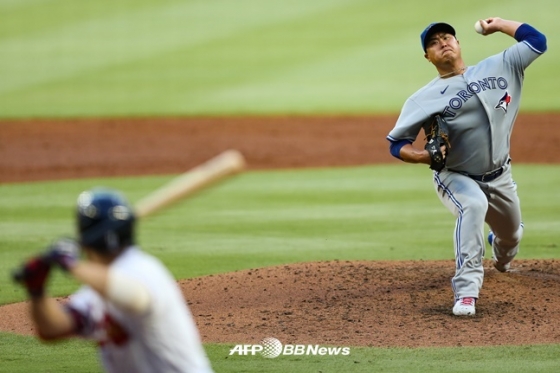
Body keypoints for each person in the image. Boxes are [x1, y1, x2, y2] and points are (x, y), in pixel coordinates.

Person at [386, 18, 547, 316]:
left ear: (459, 44)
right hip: (456, 175)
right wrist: (423, 156)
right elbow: (397, 144)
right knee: (473, 206)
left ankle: (500, 252)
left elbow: (537, 41)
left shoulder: (500, 66)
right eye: (434, 43)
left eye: (447, 37)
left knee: (511, 237)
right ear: (428, 57)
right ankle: (466, 293)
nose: (442, 43)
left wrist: (498, 24)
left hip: (501, 176)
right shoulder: (422, 99)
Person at [14, 188, 215, 373]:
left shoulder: (143, 269)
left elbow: (135, 298)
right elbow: (53, 328)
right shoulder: (96, 291)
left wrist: (72, 264)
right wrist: (37, 291)